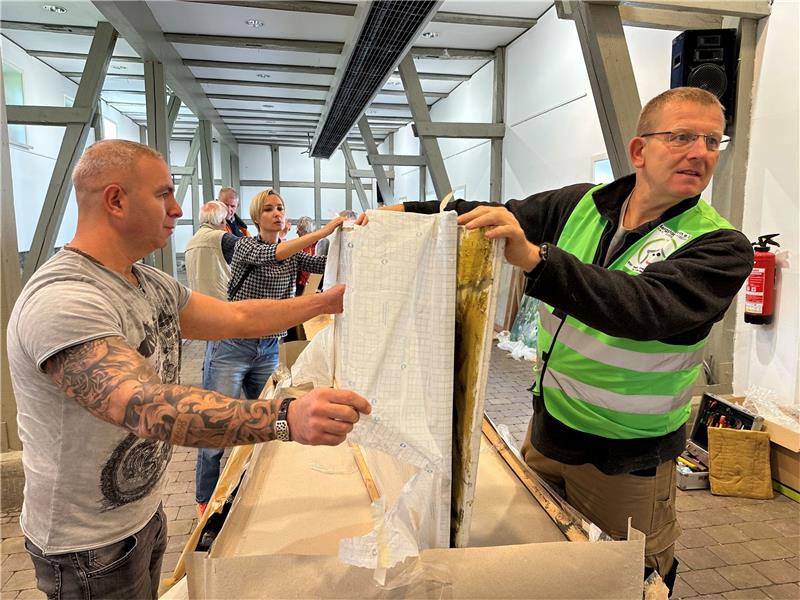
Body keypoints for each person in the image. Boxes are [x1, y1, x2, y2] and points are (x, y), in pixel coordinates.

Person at [361, 87, 753, 592]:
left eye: (711, 141)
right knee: (548, 564)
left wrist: (537, 260)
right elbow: (493, 212)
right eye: (681, 136)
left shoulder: (719, 246)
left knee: (626, 581)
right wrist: (405, 212)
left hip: (626, 460)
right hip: (549, 431)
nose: (699, 152)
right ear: (639, 150)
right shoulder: (582, 205)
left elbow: (640, 307)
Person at [6, 140, 371, 600]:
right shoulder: (67, 299)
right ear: (116, 200)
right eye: (163, 195)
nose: (177, 209)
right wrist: (286, 417)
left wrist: (327, 301)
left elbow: (236, 317)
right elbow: (143, 405)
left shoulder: (148, 282)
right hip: (87, 546)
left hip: (139, 517)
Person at [195, 189, 344, 516]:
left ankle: (244, 493)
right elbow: (272, 256)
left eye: (280, 208)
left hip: (267, 349)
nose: (276, 213)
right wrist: (323, 231)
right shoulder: (245, 245)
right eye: (268, 209)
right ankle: (205, 503)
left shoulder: (292, 254)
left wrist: (352, 237)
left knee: (267, 423)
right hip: (231, 346)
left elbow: (323, 263)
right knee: (214, 426)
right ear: (256, 217)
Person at [184, 200, 236, 300]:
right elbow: (252, 249)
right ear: (221, 220)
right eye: (225, 220)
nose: (225, 223)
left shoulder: (190, 243)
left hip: (200, 304)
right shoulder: (221, 238)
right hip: (223, 304)